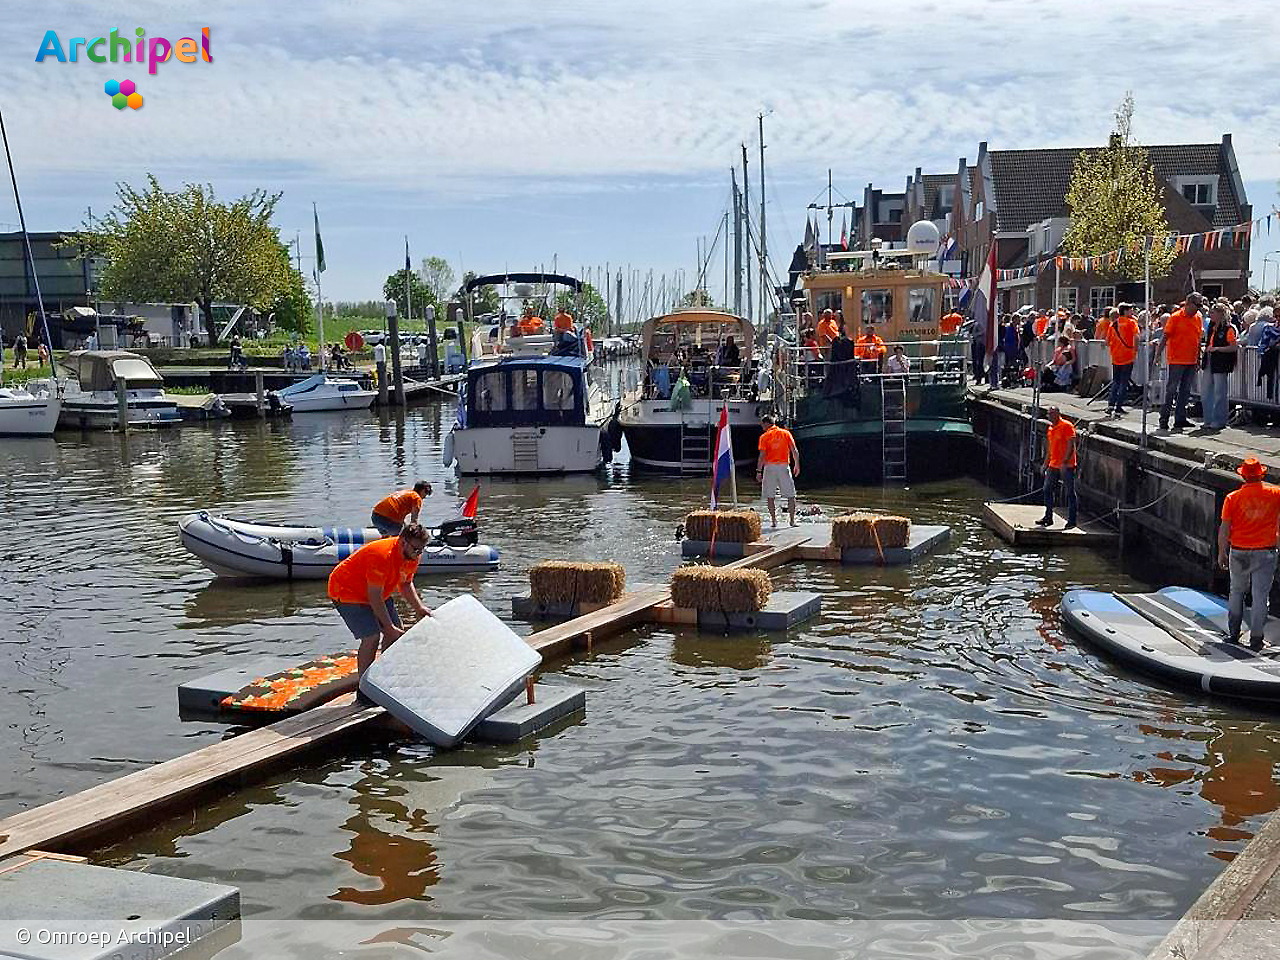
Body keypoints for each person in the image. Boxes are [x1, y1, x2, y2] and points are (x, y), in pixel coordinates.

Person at [328, 524, 434, 688]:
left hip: (377, 591)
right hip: (347, 591)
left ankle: (384, 678)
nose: (418, 553)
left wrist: (420, 608)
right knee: (372, 637)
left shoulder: (412, 555)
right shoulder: (382, 555)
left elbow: (405, 584)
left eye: (421, 550)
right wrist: (388, 626)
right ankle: (364, 688)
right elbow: (374, 597)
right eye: (416, 549)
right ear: (402, 542)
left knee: (394, 634)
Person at [1217, 458, 1280, 651]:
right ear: (1261, 474)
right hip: (1266, 551)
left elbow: (1224, 529)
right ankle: (1256, 638)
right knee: (1260, 596)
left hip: (1239, 551)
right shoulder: (1275, 494)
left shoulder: (1232, 498)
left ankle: (1233, 634)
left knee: (1236, 592)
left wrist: (1221, 552)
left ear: (1243, 475)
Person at [1156, 292, 1204, 430]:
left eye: (1200, 305)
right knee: (1171, 390)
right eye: (1197, 305)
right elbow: (1165, 337)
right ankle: (1163, 419)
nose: (1198, 308)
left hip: (1191, 360)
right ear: (1188, 303)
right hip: (1176, 359)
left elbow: (1198, 339)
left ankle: (1180, 419)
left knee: (1185, 391)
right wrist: (1158, 355)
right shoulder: (1175, 317)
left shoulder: (1198, 317)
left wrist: (1198, 358)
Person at [756, 414, 800, 528]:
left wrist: (758, 471)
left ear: (766, 424)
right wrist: (797, 465)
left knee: (770, 495)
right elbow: (794, 450)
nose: (761, 426)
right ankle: (792, 521)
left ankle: (774, 521)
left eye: (762, 424)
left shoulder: (764, 436)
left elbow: (762, 455)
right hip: (784, 466)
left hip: (770, 467)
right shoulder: (786, 433)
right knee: (791, 495)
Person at [1037, 406, 1077, 529]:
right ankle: (1048, 517)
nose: (1049, 416)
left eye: (1051, 414)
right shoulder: (1050, 429)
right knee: (1047, 489)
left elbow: (1071, 445)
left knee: (1070, 492)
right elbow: (1050, 449)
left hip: (1067, 465)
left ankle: (1072, 520)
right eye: (1048, 414)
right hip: (1053, 465)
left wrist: (1065, 462)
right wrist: (1045, 464)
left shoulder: (1067, 426)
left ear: (1057, 414)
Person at [1201, 302, 1239, 430]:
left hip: (1221, 362)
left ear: (1221, 314)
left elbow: (1233, 347)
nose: (1211, 314)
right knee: (1206, 392)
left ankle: (1219, 420)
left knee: (1219, 392)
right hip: (1209, 360)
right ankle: (1208, 419)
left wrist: (1217, 349)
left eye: (1213, 312)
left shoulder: (1229, 328)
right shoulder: (1211, 327)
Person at [1103, 304, 1139, 417]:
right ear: (1126, 311)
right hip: (1128, 356)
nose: (1132, 312)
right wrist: (1135, 351)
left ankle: (1110, 405)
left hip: (1116, 356)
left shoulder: (1113, 324)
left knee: (1116, 381)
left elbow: (1107, 342)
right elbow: (1137, 337)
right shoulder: (1131, 322)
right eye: (1130, 310)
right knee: (1124, 382)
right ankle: (1118, 407)